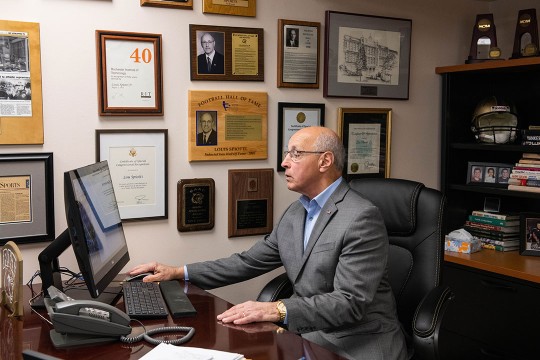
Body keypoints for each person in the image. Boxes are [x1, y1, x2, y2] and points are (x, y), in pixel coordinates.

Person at [129, 127, 407, 360]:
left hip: (355, 344)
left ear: (324, 161)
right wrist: (179, 272)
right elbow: (248, 262)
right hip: (309, 335)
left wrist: (277, 308)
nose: (285, 162)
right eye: (287, 153)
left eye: (295, 154)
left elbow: (350, 303)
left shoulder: (361, 217)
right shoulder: (297, 212)